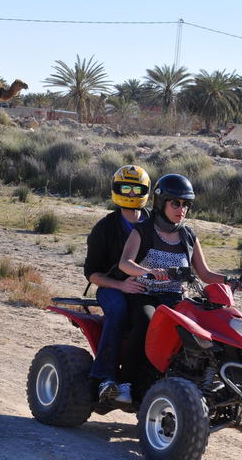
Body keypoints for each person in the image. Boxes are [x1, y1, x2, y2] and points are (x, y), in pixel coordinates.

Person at [117, 174, 230, 403]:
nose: (182, 209)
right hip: (145, 294)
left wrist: (231, 279)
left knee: (203, 328)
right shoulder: (144, 230)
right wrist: (146, 272)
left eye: (186, 204)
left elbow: (205, 274)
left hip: (176, 298)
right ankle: (125, 384)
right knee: (148, 322)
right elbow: (124, 263)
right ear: (161, 202)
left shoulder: (188, 235)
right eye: (176, 203)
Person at [83, 165, 150, 403]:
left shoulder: (155, 223)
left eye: (137, 189)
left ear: (146, 191)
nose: (131, 194)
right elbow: (91, 273)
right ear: (116, 189)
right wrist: (120, 286)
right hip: (112, 288)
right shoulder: (104, 228)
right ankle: (105, 378)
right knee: (119, 309)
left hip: (148, 288)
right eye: (126, 188)